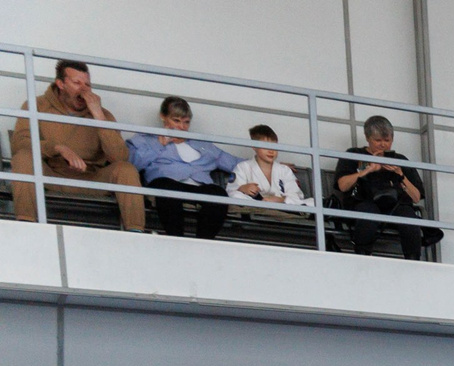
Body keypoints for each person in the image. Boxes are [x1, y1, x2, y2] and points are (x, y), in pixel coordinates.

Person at [8, 60, 144, 231]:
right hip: (51, 175)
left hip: (92, 179)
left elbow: (120, 157)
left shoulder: (103, 114)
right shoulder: (37, 106)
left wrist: (98, 116)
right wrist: (57, 148)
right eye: (77, 83)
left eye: (87, 84)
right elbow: (19, 145)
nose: (84, 89)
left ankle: (136, 232)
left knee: (126, 169)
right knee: (23, 158)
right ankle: (26, 226)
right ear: (61, 84)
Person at [127, 96, 237, 241]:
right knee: (166, 188)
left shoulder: (201, 144)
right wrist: (159, 145)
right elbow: (132, 163)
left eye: (186, 122)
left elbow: (234, 163)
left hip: (198, 186)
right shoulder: (147, 139)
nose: (182, 127)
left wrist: (270, 165)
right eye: (176, 121)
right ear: (163, 117)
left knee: (218, 193)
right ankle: (176, 241)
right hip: (168, 184)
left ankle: (203, 244)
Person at [329, 116, 432, 260]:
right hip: (364, 203)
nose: (383, 145)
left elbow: (416, 197)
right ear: (367, 138)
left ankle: (414, 261)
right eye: (378, 140)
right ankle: (362, 258)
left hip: (395, 206)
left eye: (387, 140)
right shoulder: (354, 155)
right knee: (369, 213)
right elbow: (343, 186)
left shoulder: (400, 160)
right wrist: (366, 169)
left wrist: (400, 174)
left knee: (410, 219)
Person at [228, 125, 307, 208]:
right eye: (266, 146)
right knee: (237, 195)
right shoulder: (243, 167)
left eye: (274, 147)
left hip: (280, 206)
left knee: (313, 202)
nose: (271, 151)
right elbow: (231, 192)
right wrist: (242, 188)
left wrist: (281, 200)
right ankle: (260, 206)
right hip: (254, 204)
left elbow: (296, 195)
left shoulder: (284, 170)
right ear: (254, 146)